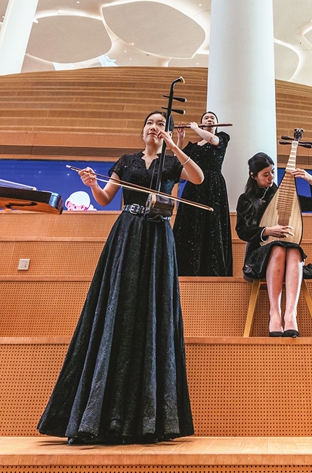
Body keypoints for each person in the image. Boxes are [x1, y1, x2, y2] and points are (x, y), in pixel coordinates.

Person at [38, 110, 204, 444]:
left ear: (167, 132)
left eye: (160, 125)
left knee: (152, 308)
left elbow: (198, 178)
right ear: (142, 130)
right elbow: (104, 199)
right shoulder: (126, 161)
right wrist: (92, 184)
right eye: (150, 123)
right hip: (127, 234)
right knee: (118, 306)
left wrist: (174, 145)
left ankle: (149, 417)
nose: (153, 128)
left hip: (158, 237)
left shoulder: (171, 164)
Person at [235, 152, 312, 337]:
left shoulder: (283, 196)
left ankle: (291, 313)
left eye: (273, 173)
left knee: (293, 249)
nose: (270, 178)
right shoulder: (246, 200)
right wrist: (267, 231)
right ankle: (274, 313)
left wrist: (310, 179)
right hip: (258, 257)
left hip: (286, 253)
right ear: (253, 175)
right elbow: (242, 231)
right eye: (265, 174)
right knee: (278, 248)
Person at [174, 111, 232, 276]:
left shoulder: (222, 136)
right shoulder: (193, 147)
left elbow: (212, 140)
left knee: (212, 224)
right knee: (191, 223)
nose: (209, 119)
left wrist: (195, 128)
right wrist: (181, 138)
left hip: (214, 184)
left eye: (212, 117)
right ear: (202, 122)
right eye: (206, 117)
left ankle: (212, 269)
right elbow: (177, 160)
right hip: (194, 186)